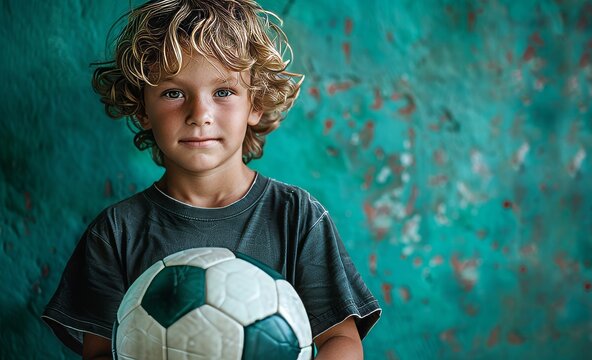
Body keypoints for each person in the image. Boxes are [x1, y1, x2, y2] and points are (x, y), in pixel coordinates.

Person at [41, 0, 381, 359]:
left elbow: (340, 341)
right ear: (143, 109)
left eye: (223, 92)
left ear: (256, 104)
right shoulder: (116, 232)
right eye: (173, 93)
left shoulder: (297, 217)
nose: (199, 114)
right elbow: (99, 353)